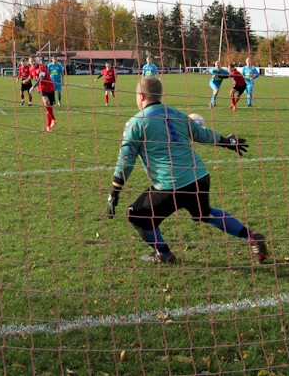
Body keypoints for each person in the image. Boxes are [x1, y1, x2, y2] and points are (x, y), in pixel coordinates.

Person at [106, 77, 267, 264]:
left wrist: (114, 193)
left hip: (170, 185)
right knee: (204, 214)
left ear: (140, 96)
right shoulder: (177, 114)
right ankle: (251, 237)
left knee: (136, 215)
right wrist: (226, 141)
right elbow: (201, 134)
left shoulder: (136, 123)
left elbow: (125, 162)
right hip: (199, 177)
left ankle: (165, 254)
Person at [33, 57, 57, 132]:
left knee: (49, 108)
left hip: (50, 87)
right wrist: (27, 80)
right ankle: (53, 119)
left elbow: (41, 77)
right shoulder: (31, 69)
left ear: (36, 61)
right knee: (46, 102)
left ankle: (48, 126)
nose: (33, 62)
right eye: (31, 61)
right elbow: (31, 76)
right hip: (41, 88)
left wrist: (33, 86)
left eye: (34, 61)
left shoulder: (42, 66)